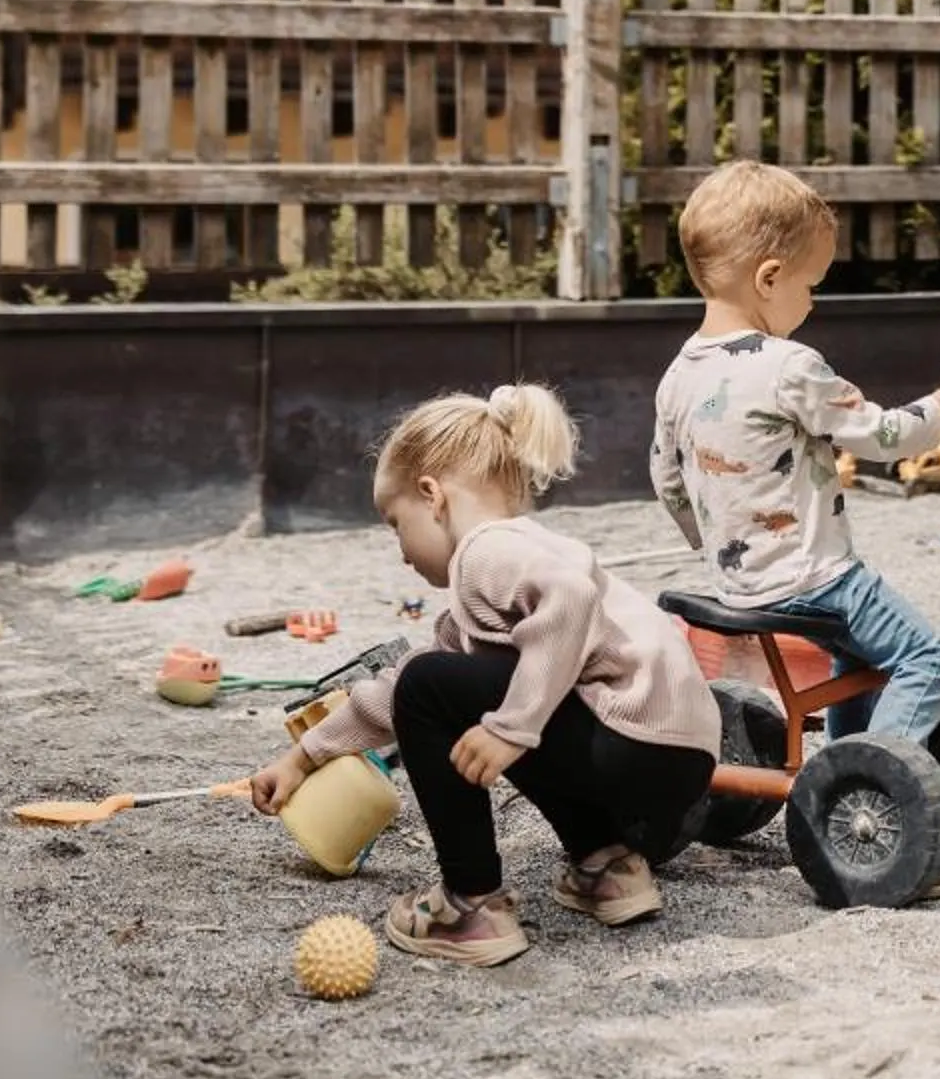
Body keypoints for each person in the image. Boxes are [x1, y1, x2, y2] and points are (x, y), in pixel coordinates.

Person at [248, 384, 720, 969]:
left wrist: (511, 727)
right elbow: (399, 690)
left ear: (432, 495)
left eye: (396, 525)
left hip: (627, 737)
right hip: (681, 757)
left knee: (455, 695)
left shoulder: (487, 551)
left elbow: (568, 602)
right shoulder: (516, 561)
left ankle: (468, 903)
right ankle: (609, 868)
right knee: (454, 689)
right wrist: (304, 756)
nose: (400, 551)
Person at [650, 162, 940, 759]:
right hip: (816, 581)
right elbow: (884, 437)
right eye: (811, 284)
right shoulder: (790, 365)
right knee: (927, 657)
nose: (812, 302)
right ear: (769, 278)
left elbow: (667, 478)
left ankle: (842, 766)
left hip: (737, 584)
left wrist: (715, 539)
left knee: (856, 659)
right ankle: (873, 773)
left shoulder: (678, 374)